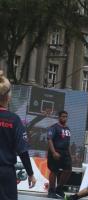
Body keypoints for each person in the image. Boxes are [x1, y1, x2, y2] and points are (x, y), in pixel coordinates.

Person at [0, 70, 36, 200]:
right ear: (8, 97)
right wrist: (30, 174)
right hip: (6, 173)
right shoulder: (14, 120)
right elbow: (22, 150)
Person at [47, 110, 72, 198]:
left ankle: (59, 188)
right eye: (63, 116)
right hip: (56, 152)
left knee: (68, 170)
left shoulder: (68, 129)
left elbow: (68, 143)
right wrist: (53, 152)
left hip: (65, 153)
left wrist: (70, 154)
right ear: (59, 117)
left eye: (66, 116)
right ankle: (51, 191)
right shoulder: (54, 127)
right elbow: (49, 139)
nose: (64, 118)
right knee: (54, 171)